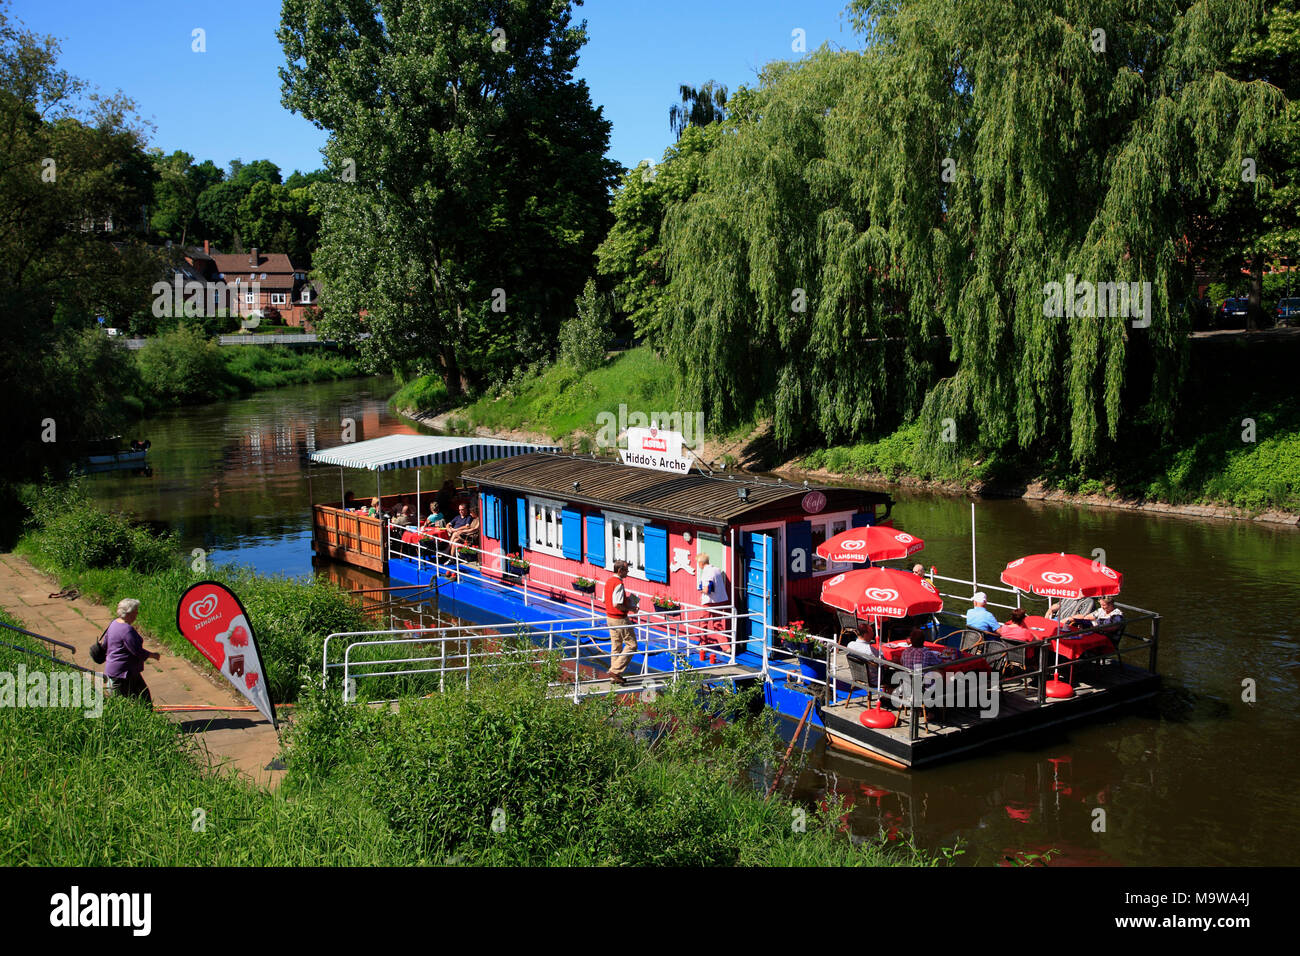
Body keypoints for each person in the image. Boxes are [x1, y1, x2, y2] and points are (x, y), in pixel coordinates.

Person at [103, 598, 160, 702]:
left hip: (115, 671)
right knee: (143, 700)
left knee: (134, 699)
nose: (137, 614)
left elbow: (105, 644)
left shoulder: (114, 624)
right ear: (129, 613)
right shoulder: (127, 630)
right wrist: (153, 655)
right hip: (125, 673)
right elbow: (137, 652)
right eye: (135, 612)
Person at [603, 560, 636, 685]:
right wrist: (630, 608)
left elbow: (604, 600)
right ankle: (615, 671)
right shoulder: (618, 584)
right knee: (632, 645)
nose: (627, 572)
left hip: (609, 618)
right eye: (626, 570)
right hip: (619, 618)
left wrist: (625, 600)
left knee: (616, 646)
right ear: (619, 570)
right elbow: (617, 604)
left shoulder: (608, 582)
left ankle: (614, 677)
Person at [695, 553, 731, 651]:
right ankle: (726, 647)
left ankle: (703, 644)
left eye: (698, 563)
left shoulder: (707, 572)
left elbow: (706, 590)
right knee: (717, 623)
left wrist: (700, 590)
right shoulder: (717, 570)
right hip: (719, 600)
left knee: (703, 623)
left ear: (701, 563)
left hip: (709, 601)